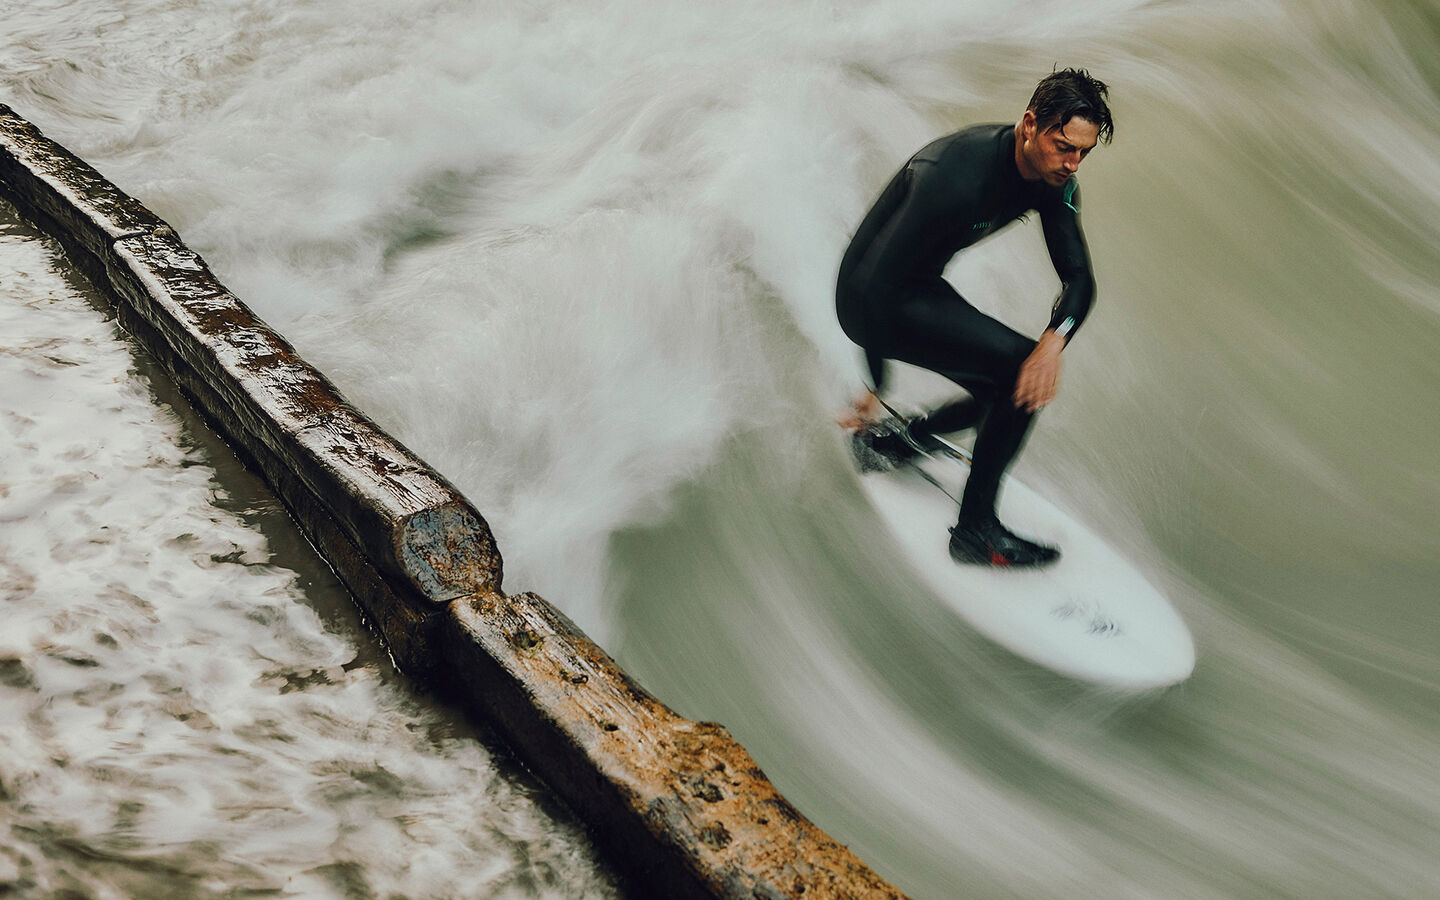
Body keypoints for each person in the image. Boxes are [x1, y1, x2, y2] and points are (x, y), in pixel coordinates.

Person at [835, 68, 1114, 568]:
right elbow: (875, 286)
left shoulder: (1054, 182)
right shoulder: (955, 176)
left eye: (1083, 152)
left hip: (918, 287)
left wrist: (1055, 341)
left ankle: (900, 444)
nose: (1073, 163)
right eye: (1064, 146)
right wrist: (875, 382)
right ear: (1030, 125)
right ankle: (974, 532)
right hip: (870, 298)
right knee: (1015, 374)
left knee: (1015, 380)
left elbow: (1079, 277)